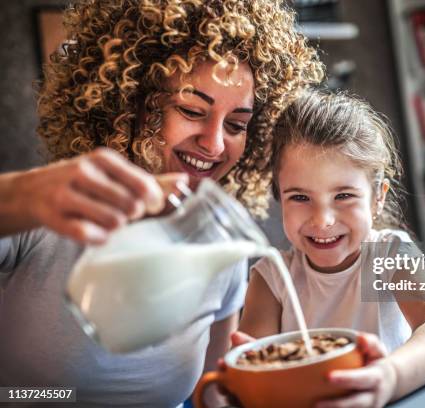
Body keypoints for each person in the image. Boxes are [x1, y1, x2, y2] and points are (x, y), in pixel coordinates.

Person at [0, 0, 323, 406]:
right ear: (130, 100)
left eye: (237, 125)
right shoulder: (45, 210)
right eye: (191, 110)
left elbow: (211, 390)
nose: (215, 143)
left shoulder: (221, 239)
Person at [237, 89, 425, 408]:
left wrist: (390, 377)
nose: (323, 220)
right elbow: (257, 373)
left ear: (378, 197)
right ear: (279, 198)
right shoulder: (271, 278)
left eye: (343, 196)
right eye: (300, 198)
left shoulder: (390, 255)